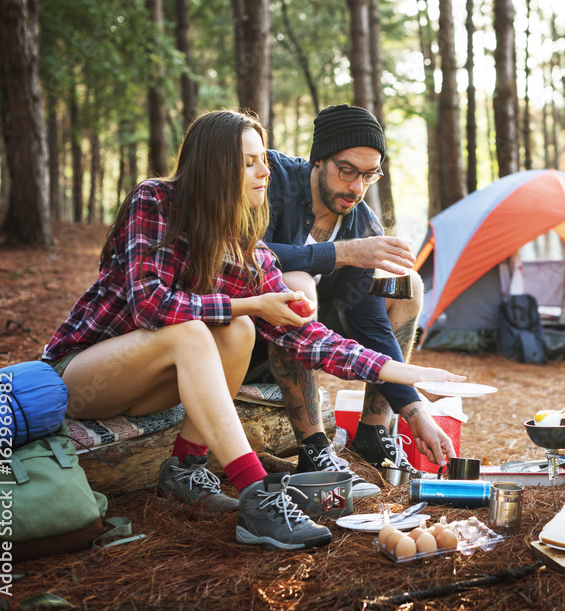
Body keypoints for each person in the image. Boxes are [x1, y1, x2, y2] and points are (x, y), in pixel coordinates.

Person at [42, 110, 466, 551]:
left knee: (239, 330)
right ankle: (257, 493)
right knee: (196, 330)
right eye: (249, 162)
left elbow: (303, 335)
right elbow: (151, 306)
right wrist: (252, 303)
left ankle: (185, 468)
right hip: (84, 375)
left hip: (155, 384)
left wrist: (404, 374)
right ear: (214, 165)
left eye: (262, 159)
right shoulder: (156, 200)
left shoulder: (241, 238)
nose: (265, 170)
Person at [257, 103, 451, 495]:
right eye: (347, 171)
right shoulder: (272, 180)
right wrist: (342, 253)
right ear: (318, 159)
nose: (356, 188)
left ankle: (373, 432)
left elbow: (372, 326)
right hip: (247, 335)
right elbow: (243, 252)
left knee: (405, 283)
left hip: (322, 345)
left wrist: (415, 413)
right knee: (296, 286)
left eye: (369, 175)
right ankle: (314, 448)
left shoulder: (361, 222)